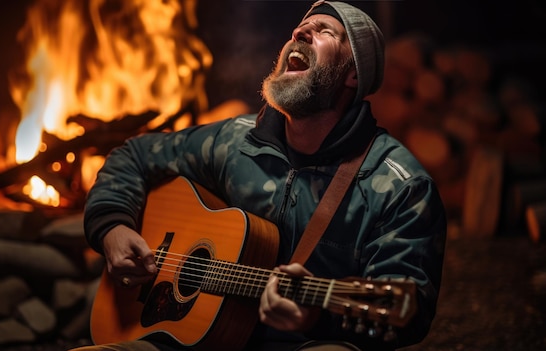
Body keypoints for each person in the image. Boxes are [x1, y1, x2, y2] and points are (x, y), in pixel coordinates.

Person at [75, 1, 446, 350]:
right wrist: (113, 227)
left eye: (324, 32)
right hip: (188, 338)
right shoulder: (235, 141)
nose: (300, 34)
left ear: (353, 74)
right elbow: (134, 155)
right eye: (300, 29)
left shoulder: (400, 187)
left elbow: (406, 315)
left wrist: (316, 317)